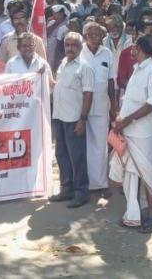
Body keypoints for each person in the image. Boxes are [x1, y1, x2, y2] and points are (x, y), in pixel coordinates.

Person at [110, 36, 152, 232]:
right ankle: (133, 213)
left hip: (142, 132)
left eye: (134, 47)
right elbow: (130, 100)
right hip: (127, 130)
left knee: (146, 173)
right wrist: (120, 118)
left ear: (140, 49)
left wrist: (127, 119)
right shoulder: (137, 69)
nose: (131, 50)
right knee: (129, 174)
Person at [49, 32, 94, 208]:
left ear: (80, 47)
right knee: (61, 155)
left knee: (77, 157)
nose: (70, 48)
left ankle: (81, 192)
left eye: (74, 45)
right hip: (59, 117)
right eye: (67, 45)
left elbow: (88, 95)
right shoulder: (63, 64)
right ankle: (66, 188)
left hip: (74, 119)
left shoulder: (85, 67)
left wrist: (83, 119)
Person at [80, 22, 117, 195]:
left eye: (98, 35)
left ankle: (101, 184)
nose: (95, 38)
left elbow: (111, 82)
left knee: (101, 146)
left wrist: (114, 107)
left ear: (103, 36)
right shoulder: (79, 53)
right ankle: (83, 183)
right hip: (80, 108)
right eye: (91, 34)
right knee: (83, 146)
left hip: (102, 105)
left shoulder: (108, 53)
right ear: (85, 35)